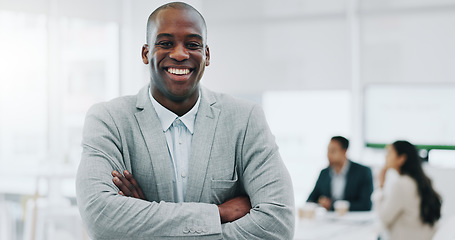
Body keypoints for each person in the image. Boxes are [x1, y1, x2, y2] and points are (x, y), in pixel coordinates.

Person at [75, 2, 294, 240]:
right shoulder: (109, 120)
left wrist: (144, 219)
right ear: (145, 53)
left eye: (192, 44)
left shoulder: (245, 119)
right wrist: (217, 213)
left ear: (206, 55)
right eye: (166, 43)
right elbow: (101, 218)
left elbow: (278, 224)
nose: (180, 54)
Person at [373, 140, 442, 240]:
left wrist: (380, 186)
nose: (385, 157)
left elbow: (383, 218)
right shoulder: (421, 181)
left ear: (401, 158)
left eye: (389, 153)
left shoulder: (401, 184)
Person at [307, 136, 373, 211]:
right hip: (328, 220)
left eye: (333, 151)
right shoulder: (324, 173)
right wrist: (321, 202)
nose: (329, 155)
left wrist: (332, 206)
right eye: (328, 150)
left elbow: (366, 205)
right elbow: (310, 200)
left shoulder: (363, 172)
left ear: (344, 151)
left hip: (353, 219)